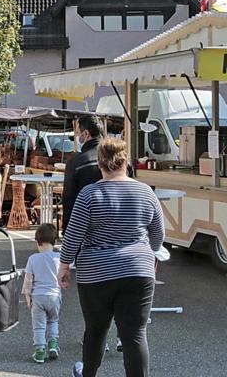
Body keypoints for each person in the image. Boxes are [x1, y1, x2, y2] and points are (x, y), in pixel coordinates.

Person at [59, 138, 164, 377]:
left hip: (96, 273)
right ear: (125, 161)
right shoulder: (145, 192)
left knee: (95, 330)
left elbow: (73, 235)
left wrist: (64, 266)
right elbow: (158, 234)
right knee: (135, 335)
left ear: (99, 163)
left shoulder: (89, 194)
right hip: (138, 270)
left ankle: (89, 374)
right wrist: (149, 251)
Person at [24, 223, 62, 364]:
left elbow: (28, 280)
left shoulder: (33, 259)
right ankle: (53, 345)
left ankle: (40, 351)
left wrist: (28, 298)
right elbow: (62, 277)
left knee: (39, 326)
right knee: (53, 321)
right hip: (54, 296)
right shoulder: (59, 257)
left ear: (37, 241)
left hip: (38, 297)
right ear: (55, 241)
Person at [62, 115, 105, 233]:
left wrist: (67, 230)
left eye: (77, 132)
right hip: (117, 228)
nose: (76, 136)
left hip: (86, 227)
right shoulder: (119, 159)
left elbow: (69, 199)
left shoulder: (76, 163)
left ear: (85, 134)